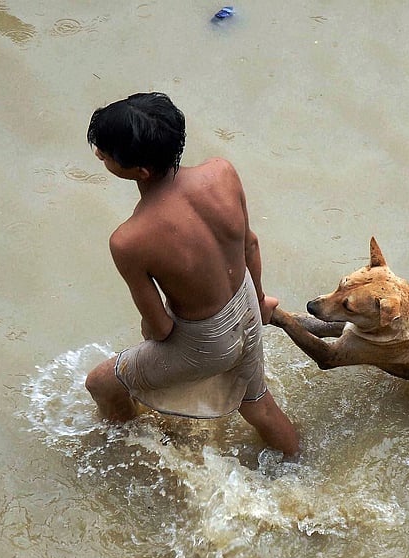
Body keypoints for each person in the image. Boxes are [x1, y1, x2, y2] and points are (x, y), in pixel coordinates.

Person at [83, 92, 299, 458]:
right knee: (258, 404)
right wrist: (260, 301)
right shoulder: (222, 172)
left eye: (105, 152)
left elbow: (162, 329)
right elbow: (250, 246)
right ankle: (301, 463)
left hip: (206, 342)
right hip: (245, 303)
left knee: (102, 383)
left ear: (141, 172)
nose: (99, 154)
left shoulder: (129, 240)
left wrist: (149, 337)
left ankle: (131, 455)